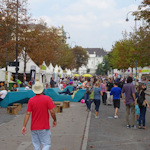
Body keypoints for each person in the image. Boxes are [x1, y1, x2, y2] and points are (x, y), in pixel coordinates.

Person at [21, 81, 57, 150]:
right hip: (44, 126)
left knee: (36, 146)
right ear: (42, 89)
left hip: (34, 127)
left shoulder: (31, 100)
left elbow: (28, 113)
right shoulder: (47, 98)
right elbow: (52, 111)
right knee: (46, 144)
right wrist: (54, 120)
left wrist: (24, 125)